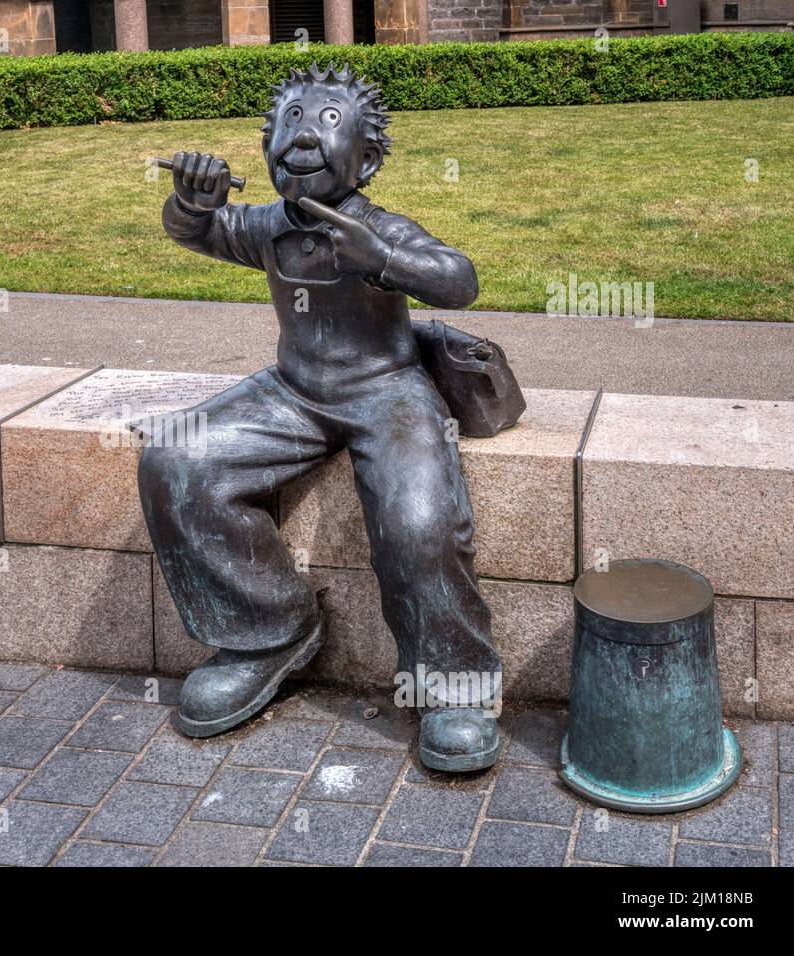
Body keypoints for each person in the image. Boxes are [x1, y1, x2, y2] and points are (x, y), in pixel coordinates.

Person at [140, 63, 503, 771]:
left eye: (328, 123)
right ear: (267, 143)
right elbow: (200, 235)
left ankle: (453, 683)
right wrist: (192, 202)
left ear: (365, 160)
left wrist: (386, 258)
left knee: (419, 521)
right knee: (174, 458)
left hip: (387, 394)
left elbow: (459, 280)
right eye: (292, 121)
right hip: (293, 393)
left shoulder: (380, 227)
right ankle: (267, 629)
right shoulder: (269, 226)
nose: (305, 136)